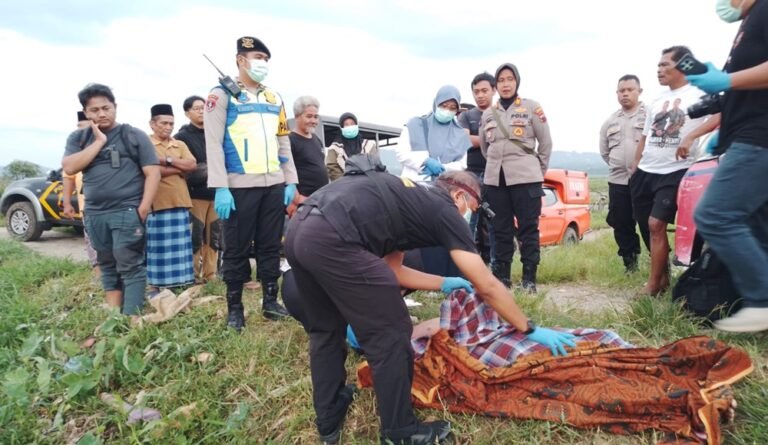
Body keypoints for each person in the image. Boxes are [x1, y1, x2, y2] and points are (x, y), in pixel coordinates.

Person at [285, 160, 576, 445]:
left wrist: (444, 283)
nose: (467, 216)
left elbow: (393, 269)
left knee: (325, 329)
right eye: (470, 209)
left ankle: (330, 415)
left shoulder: (408, 198)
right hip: (332, 236)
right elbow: (487, 284)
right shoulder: (444, 209)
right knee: (391, 333)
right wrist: (528, 328)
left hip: (300, 228)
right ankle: (400, 432)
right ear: (459, 195)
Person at [204, 36, 298, 330]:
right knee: (236, 249)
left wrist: (290, 181)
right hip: (238, 187)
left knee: (271, 246)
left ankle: (270, 302)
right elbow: (214, 144)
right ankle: (235, 309)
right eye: (257, 56)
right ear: (240, 60)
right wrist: (220, 186)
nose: (262, 64)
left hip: (273, 185)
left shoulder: (274, 98)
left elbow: (284, 141)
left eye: (266, 59)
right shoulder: (221, 96)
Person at [686, 0, 768, 332]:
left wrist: (727, 82)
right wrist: (718, 82)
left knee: (715, 215)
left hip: (759, 135)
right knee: (757, 227)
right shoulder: (749, 21)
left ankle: (762, 300)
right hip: (742, 134)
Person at [62, 83, 160, 316]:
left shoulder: (133, 135)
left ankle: (131, 317)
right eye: (94, 110)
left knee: (129, 264)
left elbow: (153, 172)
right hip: (95, 214)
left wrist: (143, 208)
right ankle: (115, 317)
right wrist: (98, 142)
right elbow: (69, 166)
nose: (101, 113)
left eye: (106, 108)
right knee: (106, 265)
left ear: (115, 107)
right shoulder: (79, 138)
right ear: (86, 113)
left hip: (127, 211)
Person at [630, 46, 708, 295]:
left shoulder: (698, 94)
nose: (659, 69)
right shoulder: (654, 100)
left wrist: (692, 136)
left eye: (665, 65)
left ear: (683, 66)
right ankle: (662, 278)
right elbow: (644, 136)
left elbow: (721, 115)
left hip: (676, 169)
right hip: (645, 171)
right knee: (648, 227)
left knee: (656, 224)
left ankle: (653, 286)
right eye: (658, 65)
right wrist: (635, 166)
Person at [479, 63, 552, 292]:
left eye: (510, 79)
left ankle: (529, 279)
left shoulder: (532, 108)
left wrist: (536, 173)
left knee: (529, 229)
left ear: (517, 82)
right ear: (496, 85)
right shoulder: (489, 113)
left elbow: (546, 144)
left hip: (526, 179)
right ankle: (502, 279)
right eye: (501, 80)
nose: (506, 84)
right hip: (495, 182)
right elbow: (484, 147)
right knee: (500, 231)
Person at [599, 74, 650, 272]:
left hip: (645, 178)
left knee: (648, 223)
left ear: (640, 91)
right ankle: (630, 264)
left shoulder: (650, 116)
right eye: (622, 91)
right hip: (618, 180)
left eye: (630, 90)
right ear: (617, 93)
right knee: (621, 222)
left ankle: (659, 265)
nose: (625, 94)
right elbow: (605, 151)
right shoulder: (610, 121)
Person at [146, 104, 197, 294]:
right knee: (158, 247)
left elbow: (192, 165)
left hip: (180, 201)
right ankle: (155, 285)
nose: (168, 127)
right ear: (152, 124)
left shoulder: (180, 144)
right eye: (164, 123)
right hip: (157, 203)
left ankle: (181, 282)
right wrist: (178, 169)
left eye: (171, 124)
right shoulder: (146, 143)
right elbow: (150, 169)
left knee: (181, 246)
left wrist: (167, 161)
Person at [174, 95, 218, 283]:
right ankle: (192, 275)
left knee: (214, 237)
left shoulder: (215, 133)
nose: (201, 111)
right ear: (187, 113)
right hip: (195, 194)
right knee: (195, 237)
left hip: (217, 194)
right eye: (197, 108)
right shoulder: (182, 137)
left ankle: (211, 275)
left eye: (204, 107)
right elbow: (185, 168)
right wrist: (209, 168)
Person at [395, 85, 471, 182]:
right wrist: (425, 161)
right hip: (413, 187)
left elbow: (462, 164)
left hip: (443, 188)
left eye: (452, 108)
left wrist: (443, 168)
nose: (447, 111)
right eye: (444, 106)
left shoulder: (460, 135)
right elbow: (401, 153)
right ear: (436, 103)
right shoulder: (415, 124)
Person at [459, 72, 497, 263]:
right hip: (472, 174)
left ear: (494, 90)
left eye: (484, 90)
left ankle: (493, 265)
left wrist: (478, 139)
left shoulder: (501, 113)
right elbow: (464, 139)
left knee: (493, 222)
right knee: (469, 222)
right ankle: (468, 265)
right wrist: (491, 139)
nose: (480, 95)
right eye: (476, 92)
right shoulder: (467, 115)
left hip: (496, 174)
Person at [62, 111, 100, 277]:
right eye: (79, 127)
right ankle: (99, 276)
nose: (80, 131)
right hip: (87, 206)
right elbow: (68, 177)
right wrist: (67, 202)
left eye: (84, 127)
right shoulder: (75, 149)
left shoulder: (105, 144)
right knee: (92, 242)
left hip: (111, 204)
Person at [289, 96, 329, 200]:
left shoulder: (316, 139)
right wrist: (296, 198)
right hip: (303, 202)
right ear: (297, 116)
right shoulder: (290, 140)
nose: (313, 121)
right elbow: (285, 172)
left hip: (320, 200)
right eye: (309, 116)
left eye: (316, 117)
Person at [326, 112, 378, 181]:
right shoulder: (334, 148)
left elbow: (375, 164)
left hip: (367, 185)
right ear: (342, 127)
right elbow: (332, 168)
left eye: (352, 124)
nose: (350, 126)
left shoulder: (369, 145)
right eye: (346, 124)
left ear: (356, 125)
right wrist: (347, 182)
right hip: (345, 187)